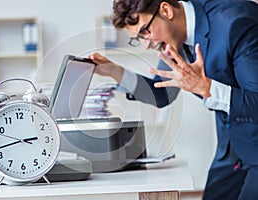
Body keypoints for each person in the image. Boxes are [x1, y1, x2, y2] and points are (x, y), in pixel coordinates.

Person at [89, 0, 258, 199]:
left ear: (166, 10)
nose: (146, 44)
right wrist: (115, 71)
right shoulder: (173, 38)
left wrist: (206, 88)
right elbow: (161, 94)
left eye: (145, 31)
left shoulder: (236, 23)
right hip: (233, 143)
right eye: (138, 39)